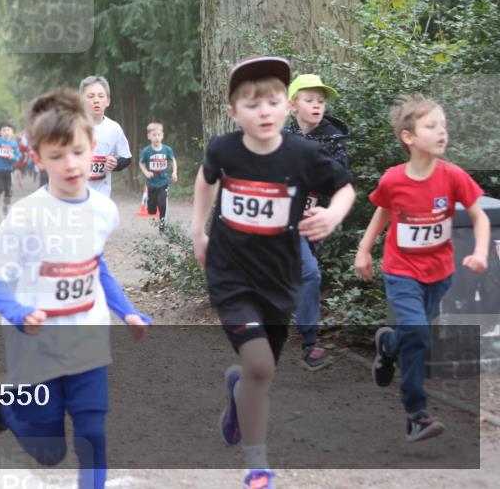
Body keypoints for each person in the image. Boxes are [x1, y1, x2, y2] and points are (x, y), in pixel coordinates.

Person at [0, 89, 150, 489]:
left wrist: (128, 311)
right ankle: (6, 407)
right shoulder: (27, 215)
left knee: (92, 432)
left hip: (87, 340)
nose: (70, 164)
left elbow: (96, 265)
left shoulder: (103, 211)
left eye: (78, 152)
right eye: (57, 156)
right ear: (39, 158)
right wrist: (19, 315)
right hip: (37, 349)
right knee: (49, 454)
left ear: (93, 149)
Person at [189, 56, 355, 489]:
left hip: (279, 281)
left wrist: (333, 216)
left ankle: (236, 394)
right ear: (233, 112)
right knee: (261, 366)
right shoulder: (224, 150)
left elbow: (345, 188)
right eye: (251, 104)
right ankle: (256, 463)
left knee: (258, 371)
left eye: (272, 102)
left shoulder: (304, 154)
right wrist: (198, 232)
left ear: (287, 107)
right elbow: (206, 180)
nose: (263, 111)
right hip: (230, 276)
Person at [354, 94, 489, 443]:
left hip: (440, 273)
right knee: (419, 334)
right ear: (408, 137)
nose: (442, 132)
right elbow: (382, 211)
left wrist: (480, 251)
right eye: (432, 126)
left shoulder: (453, 176)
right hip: (401, 271)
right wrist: (364, 249)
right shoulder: (393, 180)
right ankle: (416, 414)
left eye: (444, 125)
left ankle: (388, 346)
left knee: (412, 335)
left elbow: (478, 216)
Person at [281, 74, 350, 371]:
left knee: (302, 273)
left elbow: (339, 179)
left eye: (321, 101)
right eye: (309, 100)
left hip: (314, 220)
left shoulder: (333, 139)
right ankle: (310, 344)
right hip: (282, 222)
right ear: (293, 105)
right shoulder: (280, 137)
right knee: (309, 273)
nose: (317, 106)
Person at [79, 76, 131, 199]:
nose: (96, 100)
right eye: (90, 96)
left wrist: (116, 164)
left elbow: (126, 157)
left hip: (102, 197)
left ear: (108, 101)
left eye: (101, 96)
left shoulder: (113, 128)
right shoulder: (71, 127)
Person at [137, 121, 177, 233]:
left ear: (162, 136)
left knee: (162, 204)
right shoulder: (146, 151)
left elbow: (173, 160)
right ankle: (151, 207)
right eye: (154, 135)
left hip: (163, 182)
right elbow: (141, 163)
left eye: (159, 135)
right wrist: (146, 172)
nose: (157, 137)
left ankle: (162, 228)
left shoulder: (167, 149)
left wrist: (174, 172)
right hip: (151, 184)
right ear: (149, 136)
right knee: (152, 210)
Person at [0, 120, 21, 217]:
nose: (6, 132)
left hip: (8, 170)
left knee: (8, 191)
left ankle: (6, 205)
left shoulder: (14, 144)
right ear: (0, 132)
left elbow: (18, 157)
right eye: (4, 130)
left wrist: (13, 157)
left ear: (12, 132)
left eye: (8, 130)